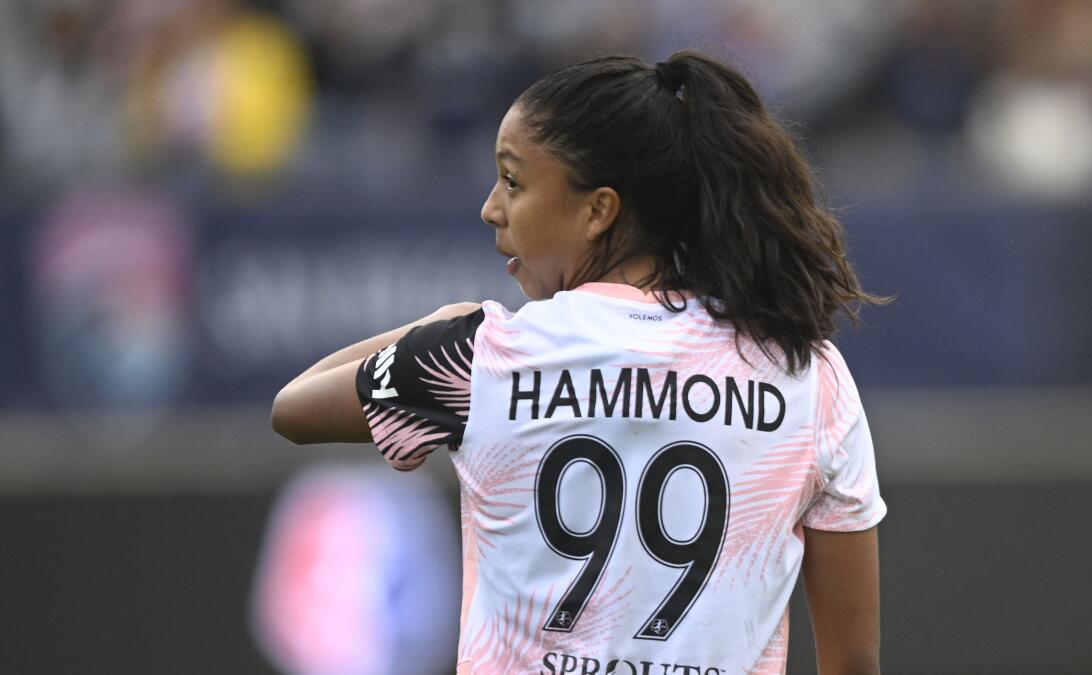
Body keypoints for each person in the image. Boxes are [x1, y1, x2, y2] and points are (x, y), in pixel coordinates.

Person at [273, 50, 887, 675]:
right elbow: (853, 660)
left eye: (513, 181)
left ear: (599, 210)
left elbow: (294, 407)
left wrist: (443, 324)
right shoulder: (808, 373)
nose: (491, 208)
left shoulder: (484, 354)